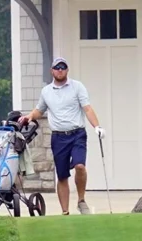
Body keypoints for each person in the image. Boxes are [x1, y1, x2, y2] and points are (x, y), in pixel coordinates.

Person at [19, 57, 104, 215]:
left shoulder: (77, 87)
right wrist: (29, 116)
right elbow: (40, 110)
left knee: (80, 166)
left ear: (67, 70)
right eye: (57, 67)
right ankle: (65, 212)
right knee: (62, 175)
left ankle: (81, 200)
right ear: (52, 70)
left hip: (77, 134)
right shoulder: (46, 92)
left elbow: (87, 109)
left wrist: (97, 126)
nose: (60, 70)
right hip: (58, 137)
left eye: (63, 67)